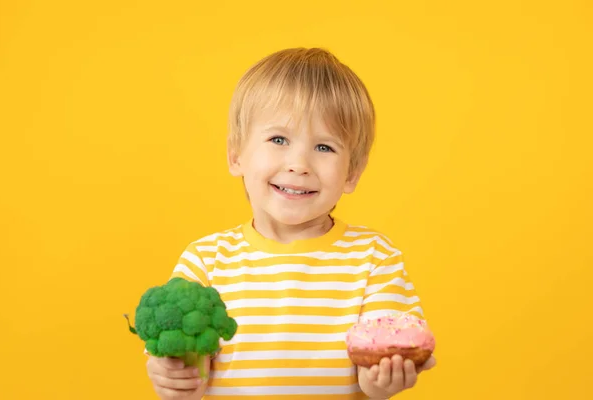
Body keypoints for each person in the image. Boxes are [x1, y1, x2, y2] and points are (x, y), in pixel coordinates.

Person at [145, 47, 436, 400]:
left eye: (325, 147)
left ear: (352, 173)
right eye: (278, 139)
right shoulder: (206, 261)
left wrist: (380, 383)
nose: (299, 164)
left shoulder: (374, 259)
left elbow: (379, 361)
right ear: (236, 155)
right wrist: (172, 379)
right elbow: (177, 357)